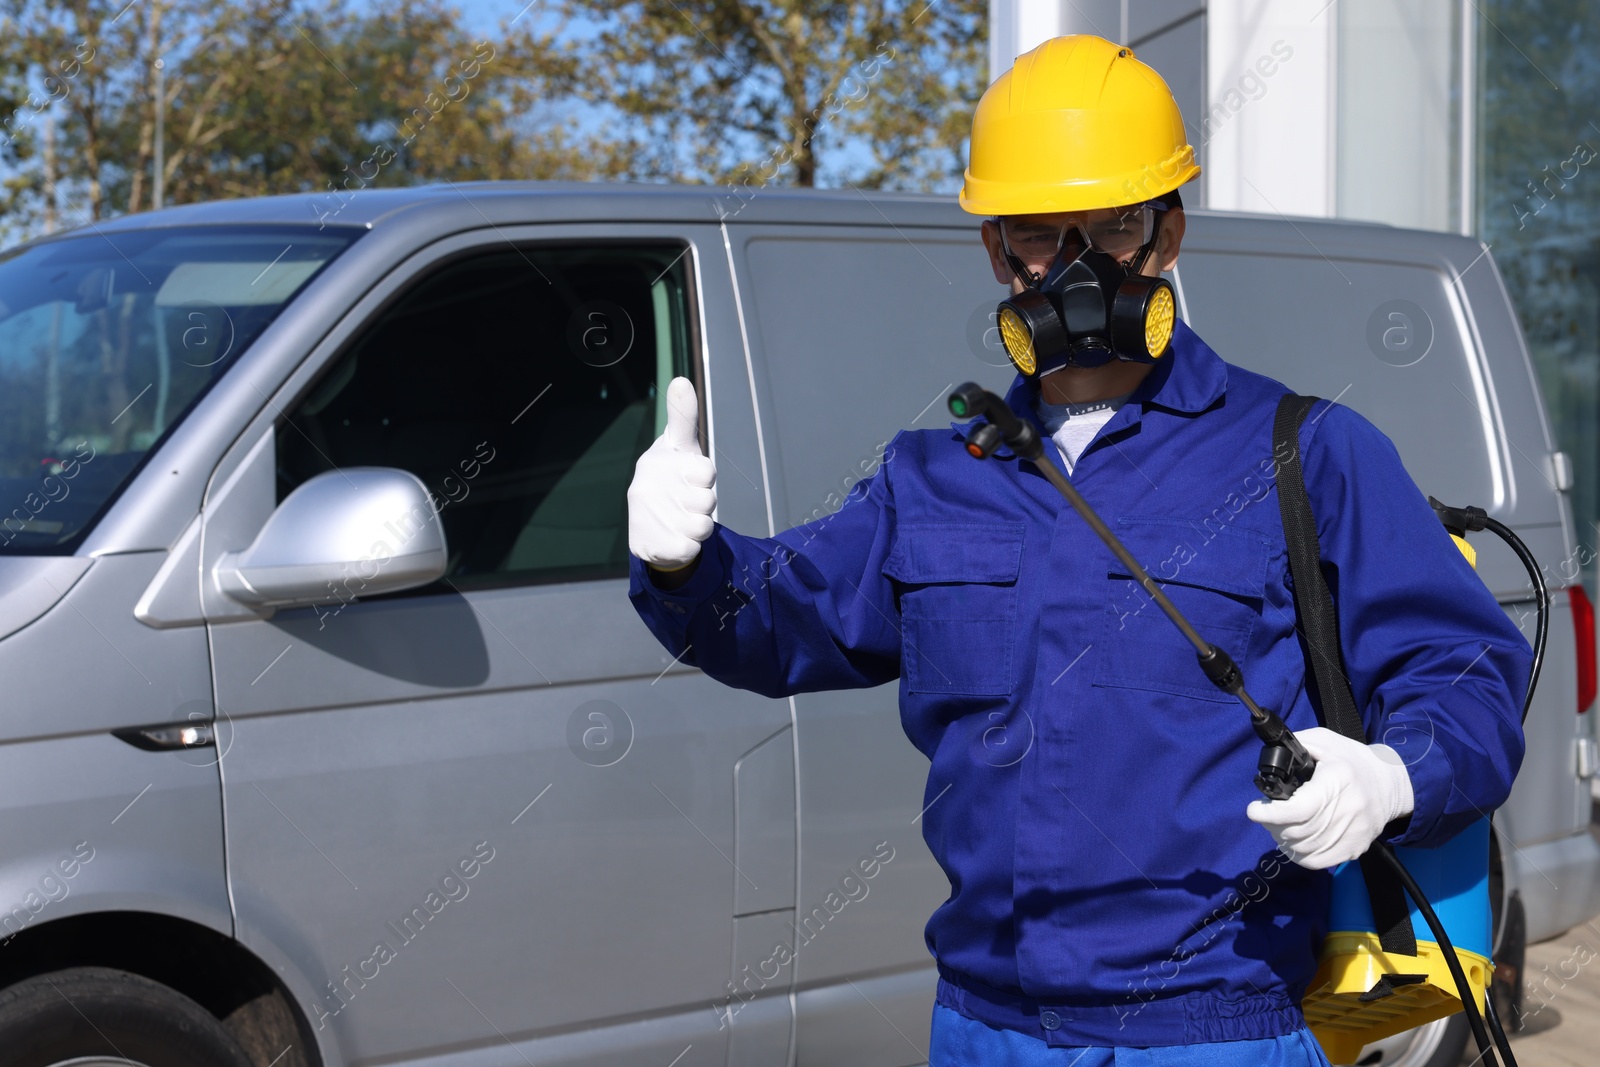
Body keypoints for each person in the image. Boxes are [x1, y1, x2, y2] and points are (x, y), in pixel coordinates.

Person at [626, 34, 1530, 1067]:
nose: (1079, 265)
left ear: (1170, 232)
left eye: (1116, 224)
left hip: (1214, 1026)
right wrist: (683, 563)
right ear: (994, 248)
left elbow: (1465, 673)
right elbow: (779, 623)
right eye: (1041, 234)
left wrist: (1388, 774)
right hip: (983, 1025)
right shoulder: (935, 474)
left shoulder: (1304, 453)